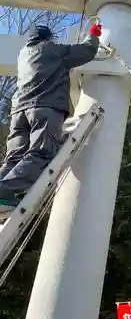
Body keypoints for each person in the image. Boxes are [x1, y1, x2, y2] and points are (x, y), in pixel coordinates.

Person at [0, 23, 103, 218]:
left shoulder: (23, 54)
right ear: (48, 38)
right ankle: (4, 190)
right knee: (41, 152)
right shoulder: (52, 50)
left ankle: (2, 190)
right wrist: (93, 35)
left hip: (18, 112)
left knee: (14, 158)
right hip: (44, 108)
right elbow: (86, 52)